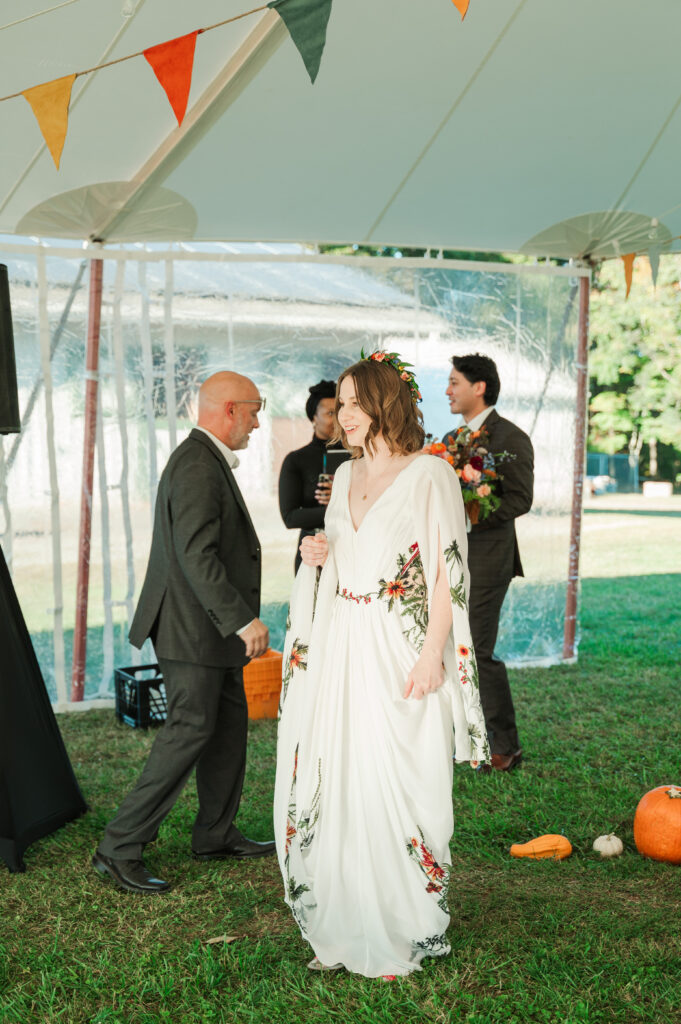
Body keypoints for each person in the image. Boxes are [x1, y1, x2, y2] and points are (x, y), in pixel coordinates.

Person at [274, 352, 490, 979]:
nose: (342, 414)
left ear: (383, 402)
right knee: (339, 769)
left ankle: (401, 921)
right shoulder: (343, 474)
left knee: (402, 772)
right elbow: (344, 551)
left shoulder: (431, 475)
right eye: (339, 404)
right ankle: (345, 917)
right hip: (342, 639)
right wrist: (319, 552)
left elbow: (447, 574)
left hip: (400, 645)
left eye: (352, 402)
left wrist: (430, 657)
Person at [93, 371, 275, 894]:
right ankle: (119, 846)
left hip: (207, 629)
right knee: (190, 729)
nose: (257, 423)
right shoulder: (197, 463)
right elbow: (197, 555)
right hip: (193, 628)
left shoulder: (204, 458)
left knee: (228, 727)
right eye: (255, 411)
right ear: (229, 409)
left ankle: (215, 833)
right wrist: (241, 619)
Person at [443, 354, 534, 772]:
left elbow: (520, 499)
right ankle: (466, 739)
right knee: (449, 649)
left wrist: (472, 511)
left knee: (477, 650)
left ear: (479, 387)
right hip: (448, 558)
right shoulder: (448, 440)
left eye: (454, 382)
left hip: (489, 559)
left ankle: (504, 745)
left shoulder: (510, 437)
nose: (447, 390)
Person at [278, 379, 350, 571]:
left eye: (341, 411)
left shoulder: (361, 455)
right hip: (312, 555)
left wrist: (342, 496)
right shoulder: (296, 460)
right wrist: (339, 507)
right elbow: (290, 517)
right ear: (313, 418)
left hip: (354, 551)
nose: (338, 419)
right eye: (330, 413)